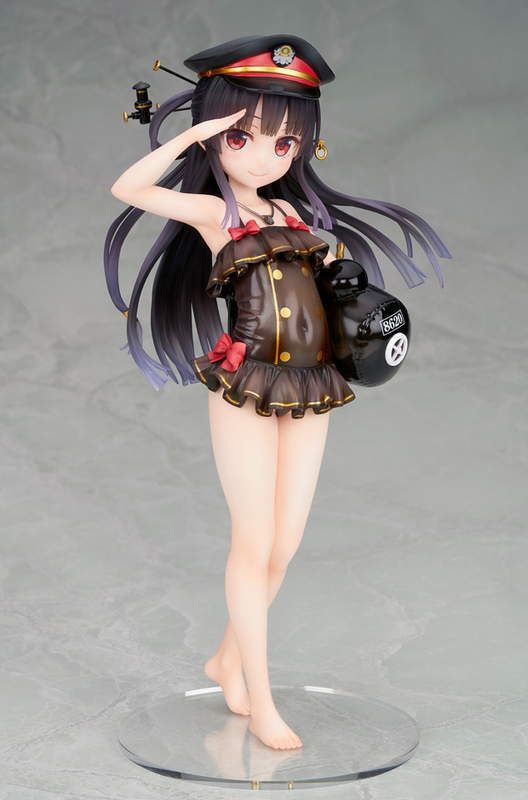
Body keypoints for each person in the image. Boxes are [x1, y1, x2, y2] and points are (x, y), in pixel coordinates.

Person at [105, 34, 451, 750]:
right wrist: (194, 134)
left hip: (313, 379)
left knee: (285, 544)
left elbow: (315, 296)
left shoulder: (295, 219)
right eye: (244, 137)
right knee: (253, 539)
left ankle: (225, 658)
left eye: (284, 143)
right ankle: (257, 697)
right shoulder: (217, 216)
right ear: (218, 136)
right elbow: (129, 191)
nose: (264, 156)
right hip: (246, 381)